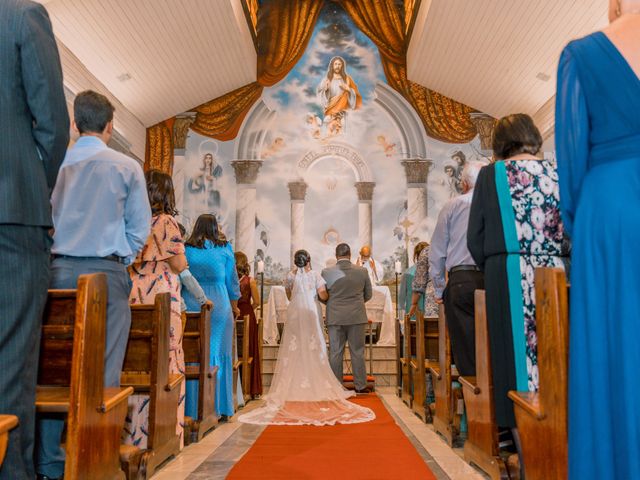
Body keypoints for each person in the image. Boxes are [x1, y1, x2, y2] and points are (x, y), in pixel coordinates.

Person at [36, 90, 151, 479]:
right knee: (106, 368)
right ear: (110, 126)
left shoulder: (55, 162)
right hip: (106, 275)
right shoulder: (126, 166)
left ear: (73, 123)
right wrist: (121, 256)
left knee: (53, 368)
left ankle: (51, 462)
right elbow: (139, 229)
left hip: (58, 270)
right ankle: (96, 458)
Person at [555, 2, 640, 477]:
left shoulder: (582, 54)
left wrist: (581, 226)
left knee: (613, 354)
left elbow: (571, 167)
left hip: (611, 212)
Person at [0, 2, 69, 477]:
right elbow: (52, 125)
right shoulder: (21, 15)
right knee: (11, 365)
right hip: (12, 217)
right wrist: (31, 186)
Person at [466, 114, 568, 435]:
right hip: (557, 270)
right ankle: (561, 428)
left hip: (507, 272)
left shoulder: (492, 174)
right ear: (534, 137)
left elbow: (475, 237)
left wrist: (496, 265)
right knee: (557, 351)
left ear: (500, 143)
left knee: (514, 358)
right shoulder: (558, 172)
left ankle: (521, 436)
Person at [238, 250, 374, 425]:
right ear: (308, 261)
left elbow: (288, 295)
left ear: (296, 262)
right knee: (314, 344)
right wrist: (322, 296)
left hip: (295, 312)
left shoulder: (289, 276)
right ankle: (316, 383)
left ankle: (294, 385)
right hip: (310, 311)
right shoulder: (315, 275)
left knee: (294, 346)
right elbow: (323, 294)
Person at [124, 170, 187, 449]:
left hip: (133, 293)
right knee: (167, 359)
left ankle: (133, 435)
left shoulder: (132, 218)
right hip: (161, 295)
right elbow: (179, 264)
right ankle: (165, 433)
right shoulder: (166, 221)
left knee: (137, 362)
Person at [427, 161, 485, 377]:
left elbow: (438, 251)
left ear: (463, 183)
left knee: (465, 348)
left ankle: (471, 404)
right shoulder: (495, 205)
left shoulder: (452, 205)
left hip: (462, 280)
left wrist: (440, 290)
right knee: (491, 341)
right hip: (491, 278)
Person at [183, 214, 240, 419]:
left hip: (192, 303)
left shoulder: (187, 250)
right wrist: (235, 306)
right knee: (219, 353)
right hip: (219, 304)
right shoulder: (224, 249)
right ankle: (221, 407)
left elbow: (182, 277)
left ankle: (191, 409)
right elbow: (232, 281)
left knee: (193, 353)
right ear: (216, 228)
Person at [322, 243, 373, 393]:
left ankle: (335, 387)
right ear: (350, 255)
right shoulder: (362, 271)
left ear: (336, 255)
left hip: (335, 317)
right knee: (357, 351)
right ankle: (360, 386)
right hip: (356, 316)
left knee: (335, 352)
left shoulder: (326, 272)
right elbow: (368, 294)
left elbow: (321, 294)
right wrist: (355, 303)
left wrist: (332, 303)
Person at [234, 251, 262, 398]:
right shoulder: (250, 281)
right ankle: (252, 388)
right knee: (250, 349)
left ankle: (236, 386)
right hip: (247, 314)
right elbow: (256, 301)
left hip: (233, 314)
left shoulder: (229, 279)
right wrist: (249, 308)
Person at [316, 56, 362, 137]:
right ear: (332, 66)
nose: (337, 66)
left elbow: (356, 95)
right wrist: (325, 90)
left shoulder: (347, 79)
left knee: (342, 129)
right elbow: (319, 94)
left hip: (343, 110)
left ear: (342, 66)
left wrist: (348, 90)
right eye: (335, 64)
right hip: (330, 109)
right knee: (329, 129)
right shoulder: (327, 79)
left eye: (339, 64)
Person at [399, 243, 439, 319]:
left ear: (416, 255)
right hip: (434, 307)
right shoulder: (435, 268)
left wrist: (401, 318)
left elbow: (401, 299)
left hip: (414, 313)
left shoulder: (408, 273)